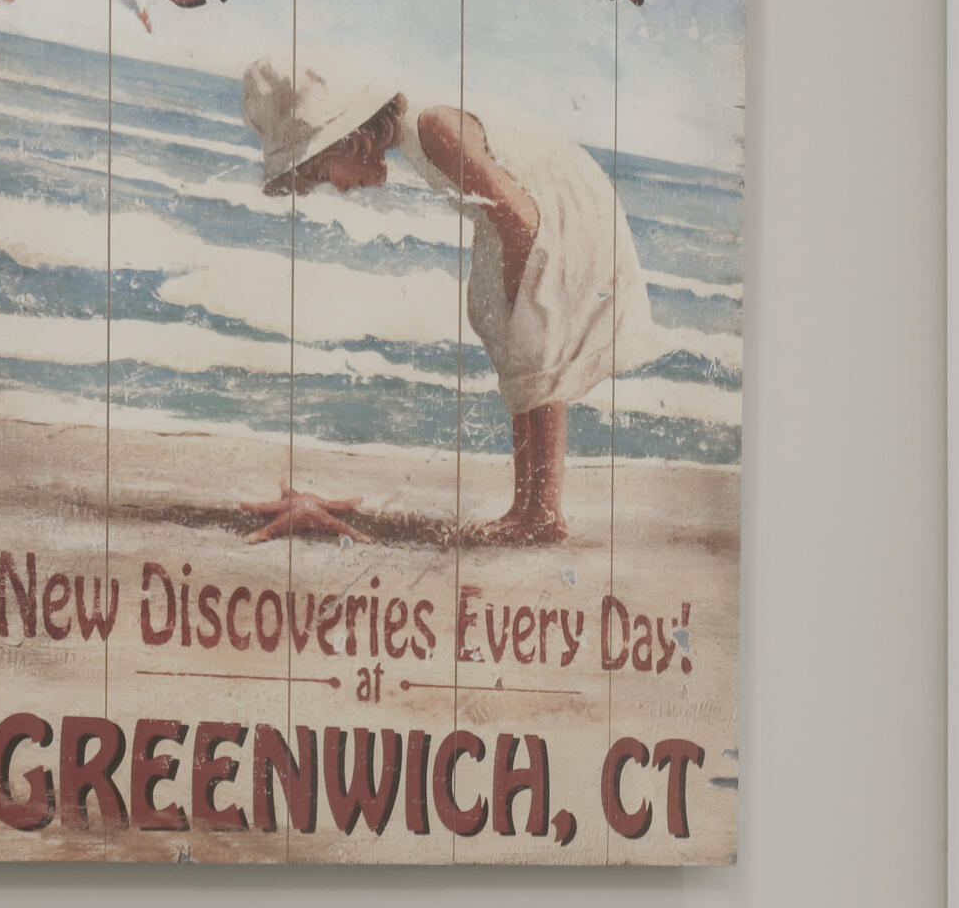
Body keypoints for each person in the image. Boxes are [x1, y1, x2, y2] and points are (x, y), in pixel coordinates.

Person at [239, 52, 657, 545]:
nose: (342, 187)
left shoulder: (433, 125)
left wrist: (518, 298)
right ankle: (527, 507)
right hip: (525, 219)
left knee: (530, 346)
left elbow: (520, 215)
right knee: (507, 337)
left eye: (328, 172)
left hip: (561, 220)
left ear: (350, 138)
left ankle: (542, 513)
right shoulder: (420, 128)